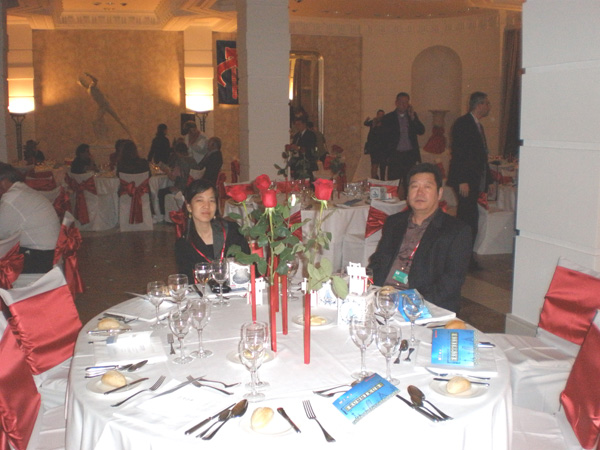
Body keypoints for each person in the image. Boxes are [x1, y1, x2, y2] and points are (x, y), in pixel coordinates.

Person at [368, 163, 472, 313]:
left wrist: (409, 305)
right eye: (414, 186)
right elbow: (378, 262)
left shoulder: (456, 231)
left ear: (439, 193)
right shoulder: (394, 223)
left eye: (427, 187)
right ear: (407, 193)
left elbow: (451, 282)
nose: (420, 193)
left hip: (423, 307)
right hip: (384, 300)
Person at [447, 91, 493, 270]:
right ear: (479, 105)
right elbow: (460, 153)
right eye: (486, 103)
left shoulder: (477, 125)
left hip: (474, 179)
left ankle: (465, 256)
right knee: (467, 219)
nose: (488, 107)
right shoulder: (463, 124)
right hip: (465, 180)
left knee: (470, 218)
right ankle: (462, 257)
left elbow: (481, 156)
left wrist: (488, 180)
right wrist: (462, 180)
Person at [174, 179, 250, 281]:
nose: (207, 206)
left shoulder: (232, 231)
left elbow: (248, 266)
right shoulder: (184, 244)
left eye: (211, 200)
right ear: (189, 207)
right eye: (200, 200)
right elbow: (187, 281)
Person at [0, 163, 60, 273]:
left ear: (3, 181)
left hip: (40, 259)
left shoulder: (11, 199)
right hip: (51, 252)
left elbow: (2, 232)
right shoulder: (22, 191)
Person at [381, 93, 425, 190]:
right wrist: (386, 156)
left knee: (410, 185)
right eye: (401, 102)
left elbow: (421, 131)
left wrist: (413, 118)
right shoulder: (388, 118)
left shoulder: (412, 116)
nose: (404, 105)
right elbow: (383, 139)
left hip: (410, 156)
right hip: (395, 156)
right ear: (396, 103)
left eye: (406, 102)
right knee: (393, 186)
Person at [78, 72, 132, 140]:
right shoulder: (88, 90)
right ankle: (100, 138)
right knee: (95, 122)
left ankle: (131, 135)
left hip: (106, 104)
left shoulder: (91, 86)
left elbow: (95, 80)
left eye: (83, 82)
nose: (83, 84)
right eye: (81, 83)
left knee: (118, 119)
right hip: (101, 107)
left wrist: (89, 75)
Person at [157, 141, 197, 216]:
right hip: (191, 187)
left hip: (181, 188)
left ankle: (162, 215)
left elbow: (173, 178)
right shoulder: (193, 160)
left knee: (161, 192)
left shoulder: (180, 161)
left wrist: (167, 171)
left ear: (177, 152)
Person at [364, 109, 387, 179]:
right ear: (377, 115)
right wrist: (366, 120)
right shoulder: (373, 122)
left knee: (383, 165)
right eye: (379, 114)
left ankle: (382, 180)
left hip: (382, 148)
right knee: (374, 165)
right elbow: (366, 124)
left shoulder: (385, 123)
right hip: (374, 148)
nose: (380, 116)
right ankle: (374, 179)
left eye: (382, 115)